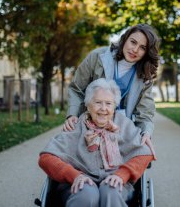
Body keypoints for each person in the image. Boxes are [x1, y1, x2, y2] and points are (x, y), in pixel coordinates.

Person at [39, 78, 155, 207]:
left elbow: (144, 153)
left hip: (116, 181)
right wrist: (74, 175)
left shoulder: (124, 124)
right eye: (98, 102)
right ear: (88, 105)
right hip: (80, 182)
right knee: (86, 193)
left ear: (115, 105)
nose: (103, 108)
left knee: (111, 189)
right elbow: (46, 158)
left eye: (108, 103)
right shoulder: (76, 126)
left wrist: (122, 174)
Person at [64, 24, 160, 155]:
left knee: (144, 152)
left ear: (147, 52)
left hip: (122, 129)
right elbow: (76, 88)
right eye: (133, 42)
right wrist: (72, 115)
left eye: (142, 48)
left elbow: (145, 112)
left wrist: (146, 133)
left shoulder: (145, 75)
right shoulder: (97, 57)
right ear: (125, 39)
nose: (135, 49)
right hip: (90, 123)